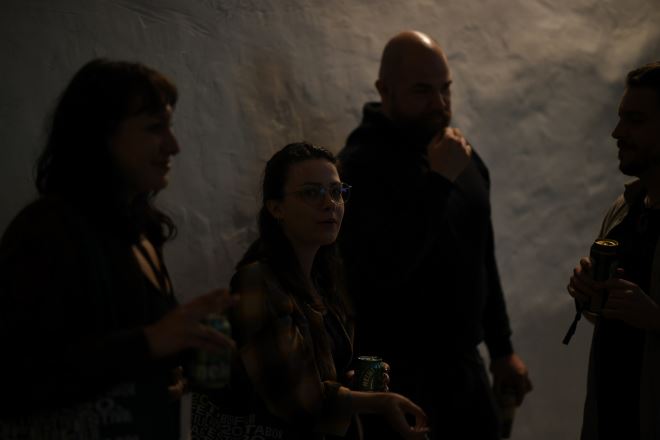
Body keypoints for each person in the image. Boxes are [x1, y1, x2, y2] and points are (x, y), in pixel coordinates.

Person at [0, 58, 233, 440]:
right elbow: (18, 373)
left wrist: (182, 357)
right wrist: (152, 341)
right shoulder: (48, 228)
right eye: (154, 128)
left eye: (170, 127)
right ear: (98, 136)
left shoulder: (142, 231)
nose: (174, 146)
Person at [337, 31, 532, 439]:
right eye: (423, 91)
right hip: (396, 375)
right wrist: (439, 183)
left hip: (465, 368)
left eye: (446, 89)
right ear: (384, 91)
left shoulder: (457, 153)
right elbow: (379, 273)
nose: (440, 104)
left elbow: (481, 253)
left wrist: (501, 348)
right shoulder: (359, 167)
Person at [192, 142, 429, 440]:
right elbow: (298, 403)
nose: (330, 203)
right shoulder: (258, 281)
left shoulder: (324, 280)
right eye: (311, 193)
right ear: (276, 208)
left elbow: (318, 380)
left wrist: (353, 386)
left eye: (336, 191)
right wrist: (376, 402)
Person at [568, 61, 660, 440]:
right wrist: (589, 295)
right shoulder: (626, 209)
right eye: (621, 118)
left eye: (635, 120)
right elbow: (608, 314)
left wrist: (655, 319)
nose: (617, 132)